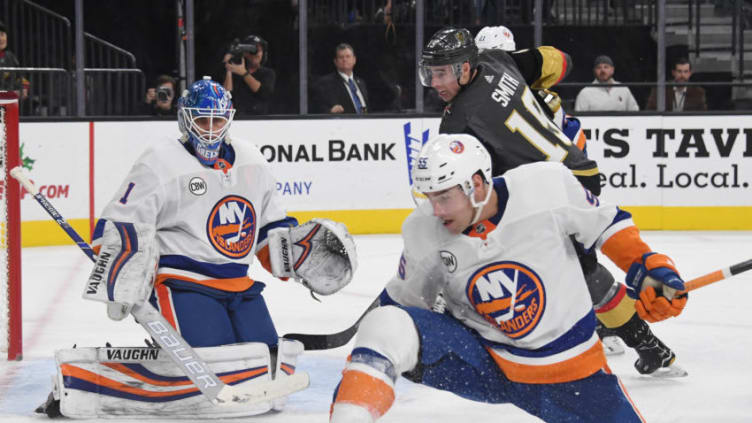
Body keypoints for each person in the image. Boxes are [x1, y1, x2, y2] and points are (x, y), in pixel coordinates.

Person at [35, 77, 357, 419]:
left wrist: (295, 254)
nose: (209, 130)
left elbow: (269, 228)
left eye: (217, 120)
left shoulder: (252, 161)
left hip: (238, 286)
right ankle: (98, 377)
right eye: (201, 120)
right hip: (181, 283)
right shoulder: (160, 161)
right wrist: (124, 274)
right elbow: (117, 226)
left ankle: (177, 355)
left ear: (229, 119)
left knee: (268, 360)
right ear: (185, 119)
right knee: (215, 362)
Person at [329, 134, 687, 422]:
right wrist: (369, 355)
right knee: (386, 323)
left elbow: (607, 224)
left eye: (444, 197)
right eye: (429, 197)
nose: (435, 210)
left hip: (575, 378)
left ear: (477, 184)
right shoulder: (424, 229)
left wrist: (653, 269)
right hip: (485, 364)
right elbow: (402, 308)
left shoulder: (546, 185)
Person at [418, 27, 685, 376]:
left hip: (549, 194)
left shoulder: (458, 123)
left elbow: (468, 198)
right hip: (579, 171)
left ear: (466, 67)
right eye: (430, 73)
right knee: (580, 270)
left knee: (564, 273)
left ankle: (633, 342)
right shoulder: (498, 62)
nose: (436, 82)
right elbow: (562, 62)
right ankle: (643, 344)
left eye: (443, 72)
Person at [222, 35, 275, 115]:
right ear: (245, 53)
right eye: (252, 51)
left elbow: (264, 92)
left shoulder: (268, 73)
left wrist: (244, 73)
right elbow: (226, 97)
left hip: (260, 121)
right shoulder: (236, 71)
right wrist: (229, 69)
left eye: (259, 51)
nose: (256, 54)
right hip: (238, 120)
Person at [312, 43, 369, 114]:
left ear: (354, 60)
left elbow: (367, 108)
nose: (345, 59)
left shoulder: (361, 82)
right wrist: (330, 112)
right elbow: (318, 109)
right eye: (341, 57)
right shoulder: (326, 83)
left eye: (348, 56)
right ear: (335, 62)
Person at [574, 55, 640, 111]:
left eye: (606, 67)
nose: (602, 70)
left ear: (612, 70)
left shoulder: (623, 89)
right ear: (594, 71)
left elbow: (635, 110)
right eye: (599, 67)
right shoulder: (585, 93)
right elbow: (579, 119)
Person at [0, 21, 29, 101]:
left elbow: (18, 77)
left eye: (2, 34)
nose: (1, 39)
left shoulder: (10, 56)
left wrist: (24, 87)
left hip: (9, 101)